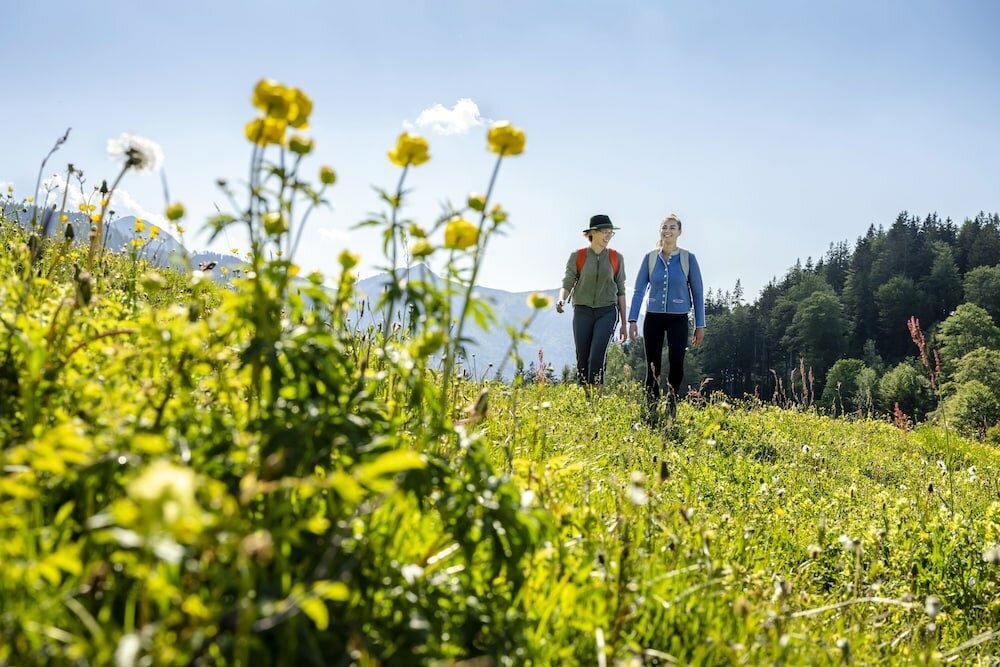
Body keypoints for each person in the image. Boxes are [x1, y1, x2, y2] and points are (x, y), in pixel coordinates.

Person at [628, 213, 705, 418]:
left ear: (679, 232)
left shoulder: (688, 258)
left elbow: (697, 293)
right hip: (653, 318)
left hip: (678, 319)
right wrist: (633, 320)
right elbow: (638, 291)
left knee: (677, 363)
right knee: (653, 365)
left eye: (672, 227)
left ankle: (671, 403)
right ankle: (651, 408)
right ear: (660, 231)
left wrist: (700, 325)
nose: (667, 230)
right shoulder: (650, 258)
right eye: (664, 227)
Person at [556, 214, 628, 391]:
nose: (608, 236)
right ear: (592, 233)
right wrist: (561, 299)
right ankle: (586, 398)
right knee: (582, 357)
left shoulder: (616, 258)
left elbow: (621, 291)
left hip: (607, 311)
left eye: (611, 233)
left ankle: (596, 399)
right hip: (582, 311)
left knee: (596, 357)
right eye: (605, 232)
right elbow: (568, 281)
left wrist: (624, 324)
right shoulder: (578, 256)